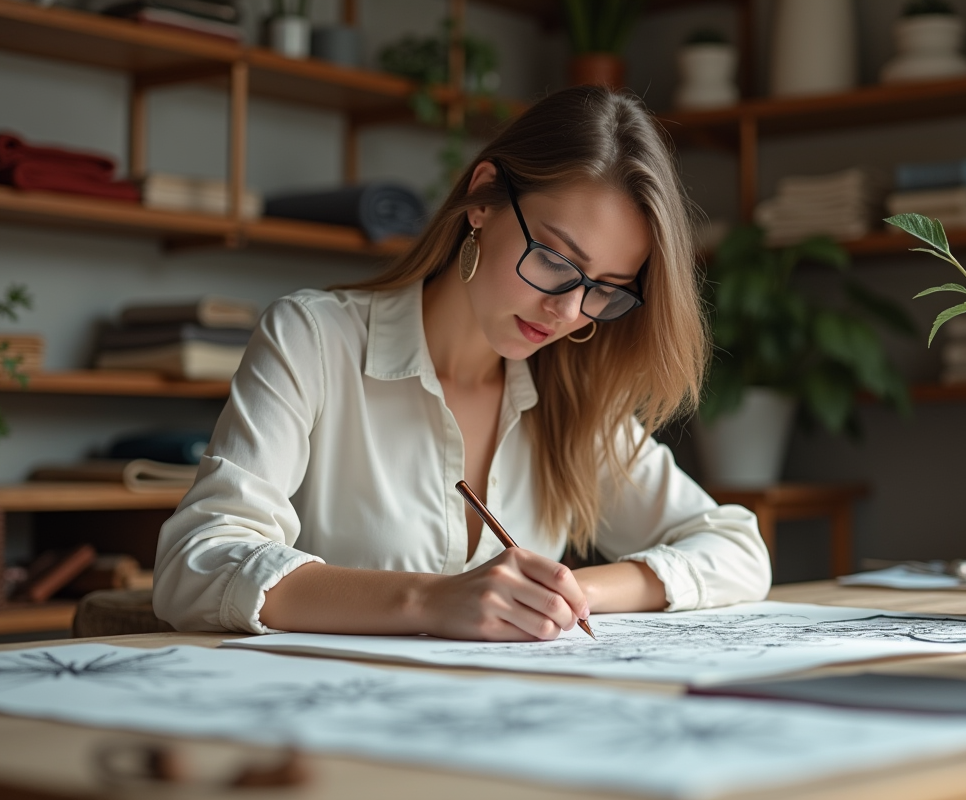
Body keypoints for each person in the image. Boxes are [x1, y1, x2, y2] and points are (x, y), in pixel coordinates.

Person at [153, 85, 771, 641]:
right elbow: (195, 565)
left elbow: (738, 548)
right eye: (555, 261)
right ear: (482, 198)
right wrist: (430, 600)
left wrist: (565, 593)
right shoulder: (314, 340)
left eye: (605, 289)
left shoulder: (574, 394)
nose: (567, 311)